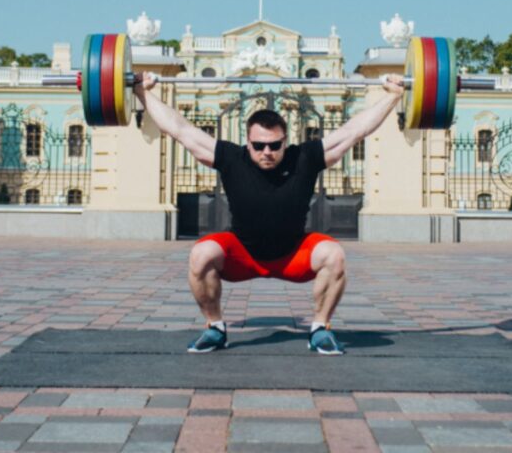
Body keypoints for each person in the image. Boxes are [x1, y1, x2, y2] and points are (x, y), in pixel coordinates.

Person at [133, 73, 404, 354]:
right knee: (201, 255)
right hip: (242, 255)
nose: (267, 152)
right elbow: (180, 129)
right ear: (247, 141)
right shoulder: (230, 158)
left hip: (293, 255)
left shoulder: (305, 157)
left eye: (275, 145)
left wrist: (392, 96)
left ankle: (320, 330)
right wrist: (143, 93)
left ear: (285, 141)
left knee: (334, 254)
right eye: (258, 145)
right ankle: (215, 328)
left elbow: (354, 131)